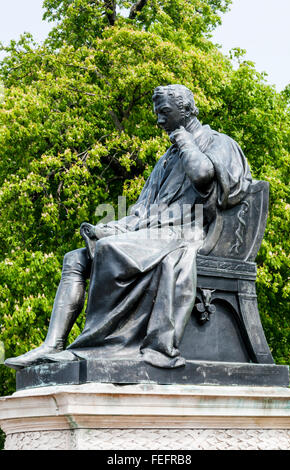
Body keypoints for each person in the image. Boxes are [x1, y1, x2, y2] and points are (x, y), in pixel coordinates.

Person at [5, 84, 252, 371]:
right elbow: (141, 211)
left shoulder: (219, 142)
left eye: (164, 113)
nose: (159, 121)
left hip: (187, 234)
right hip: (153, 234)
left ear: (185, 110)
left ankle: (96, 346)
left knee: (110, 251)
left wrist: (184, 139)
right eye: (157, 113)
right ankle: (52, 345)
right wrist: (110, 229)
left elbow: (202, 175)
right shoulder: (166, 159)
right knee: (76, 257)